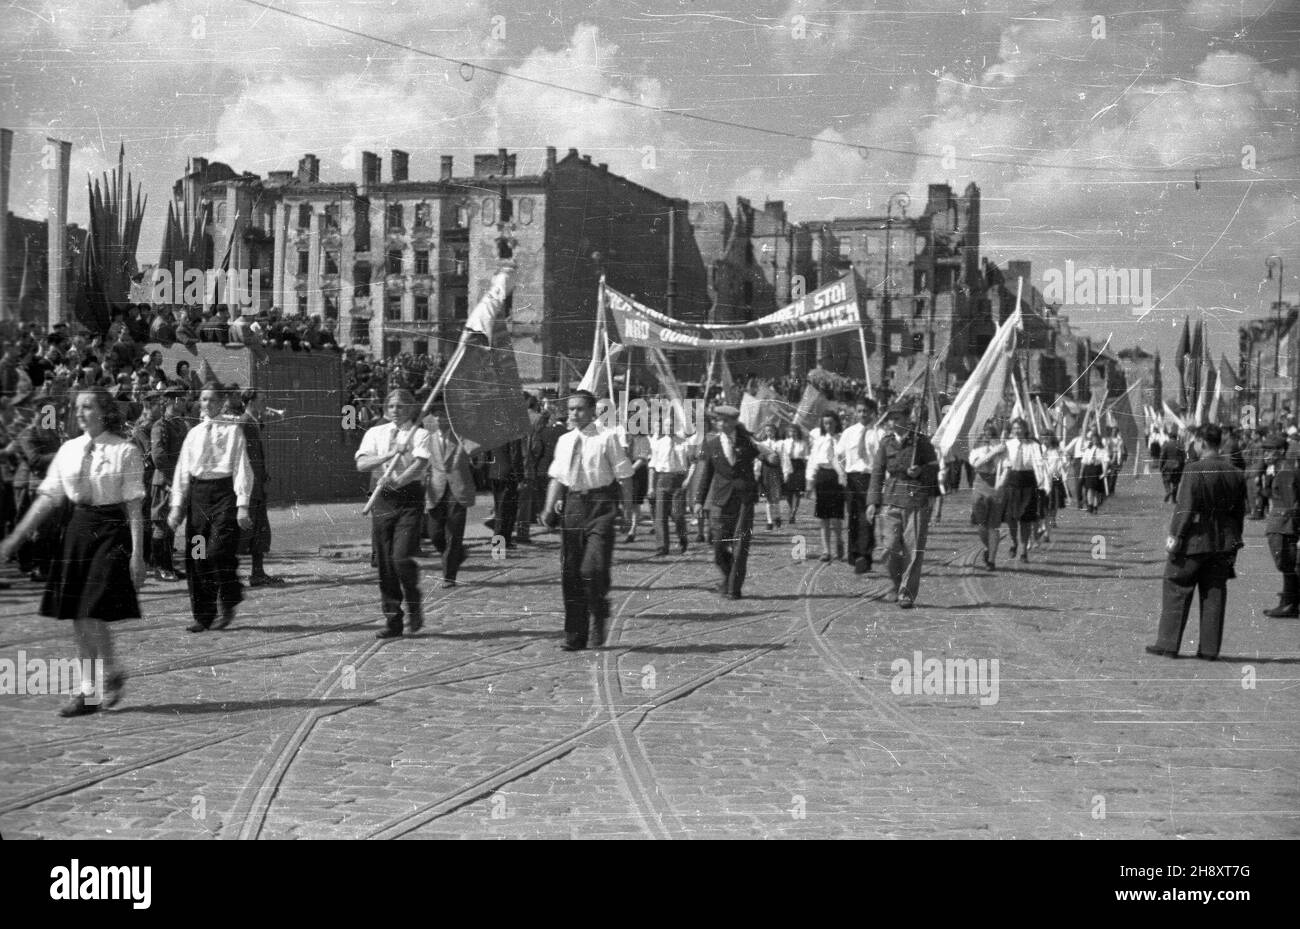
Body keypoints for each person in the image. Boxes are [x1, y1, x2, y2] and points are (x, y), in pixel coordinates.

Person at [0, 387, 146, 716]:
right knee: (79, 617)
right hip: (78, 530)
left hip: (111, 530)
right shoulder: (68, 449)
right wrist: (15, 539)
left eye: (87, 406)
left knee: (92, 609)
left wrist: (138, 555)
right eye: (77, 407)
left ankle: (105, 676)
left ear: (103, 411)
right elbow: (48, 497)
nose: (79, 412)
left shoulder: (125, 451)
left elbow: (134, 506)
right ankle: (92, 689)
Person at [542, 390, 634, 650]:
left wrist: (627, 512)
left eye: (580, 409)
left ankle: (598, 609)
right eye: (571, 409)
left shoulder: (608, 438)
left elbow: (624, 477)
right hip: (573, 507)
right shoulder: (565, 440)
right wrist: (548, 508)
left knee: (592, 569)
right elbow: (557, 477)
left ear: (593, 411)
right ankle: (575, 634)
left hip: (601, 506)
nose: (574, 413)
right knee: (571, 573)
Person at [1148, 425, 1247, 660]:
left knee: (1176, 585)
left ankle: (1168, 644)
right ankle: (1209, 649)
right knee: (1214, 592)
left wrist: (1175, 538)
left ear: (1202, 442)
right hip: (1223, 542)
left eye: (1194, 441)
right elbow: (1239, 515)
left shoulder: (1194, 470)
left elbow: (1185, 509)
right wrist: (1234, 544)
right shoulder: (1235, 472)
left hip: (1193, 540)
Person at [168, 381, 254, 633]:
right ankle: (203, 616)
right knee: (197, 557)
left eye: (212, 400)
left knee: (218, 551)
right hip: (199, 498)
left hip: (224, 495)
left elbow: (241, 467)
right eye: (203, 400)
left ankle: (229, 599)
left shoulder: (232, 431)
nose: (207, 404)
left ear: (222, 402)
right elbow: (182, 472)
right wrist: (176, 507)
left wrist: (243, 505)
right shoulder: (193, 434)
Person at [355, 390, 430, 638]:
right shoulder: (374, 433)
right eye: (392, 406)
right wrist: (388, 456)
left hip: (409, 498)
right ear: (386, 409)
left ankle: (413, 600)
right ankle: (393, 620)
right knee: (385, 563)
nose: (396, 410)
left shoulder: (420, 434)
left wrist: (398, 480)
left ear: (411, 408)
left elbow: (420, 464)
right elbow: (362, 464)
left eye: (401, 406)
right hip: (382, 498)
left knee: (400, 557)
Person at [693, 405, 775, 600]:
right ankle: (729, 578)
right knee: (718, 546)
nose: (721, 423)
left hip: (744, 499)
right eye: (718, 420)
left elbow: (766, 456)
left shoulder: (747, 441)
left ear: (734, 422)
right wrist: (698, 500)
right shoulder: (711, 443)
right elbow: (706, 474)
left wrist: (772, 458)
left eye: (725, 420)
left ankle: (733, 589)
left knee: (740, 545)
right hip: (720, 499)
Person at [867, 402, 940, 608]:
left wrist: (921, 471)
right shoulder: (886, 443)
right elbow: (877, 473)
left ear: (908, 419)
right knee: (887, 549)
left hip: (916, 499)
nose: (892, 423)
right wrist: (872, 502)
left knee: (913, 549)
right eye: (890, 419)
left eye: (897, 418)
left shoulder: (922, 442)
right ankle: (895, 582)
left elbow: (935, 468)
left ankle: (906, 593)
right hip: (891, 497)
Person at [229, 389, 285, 586]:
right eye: (262, 400)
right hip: (248, 487)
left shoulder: (253, 422)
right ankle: (230, 576)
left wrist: (263, 475)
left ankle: (258, 573)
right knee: (243, 532)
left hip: (258, 486)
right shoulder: (244, 423)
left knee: (261, 531)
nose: (265, 403)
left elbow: (255, 456)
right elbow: (241, 457)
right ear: (250, 402)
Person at [423, 397, 475, 589]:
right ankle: (457, 555)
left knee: (453, 534)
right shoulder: (426, 438)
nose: (438, 419)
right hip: (435, 490)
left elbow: (476, 451)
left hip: (457, 490)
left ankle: (449, 576)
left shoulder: (461, 436)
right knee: (434, 533)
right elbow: (423, 464)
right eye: (435, 415)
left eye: (442, 415)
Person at [839, 399, 883, 574]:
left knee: (868, 518)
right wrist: (842, 472)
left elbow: (882, 461)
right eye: (859, 411)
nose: (862, 414)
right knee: (854, 517)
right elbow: (837, 454)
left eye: (866, 411)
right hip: (852, 478)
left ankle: (864, 556)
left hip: (870, 478)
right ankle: (854, 554)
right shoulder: (849, 432)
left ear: (872, 412)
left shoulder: (879, 433)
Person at [148, 388, 188, 581]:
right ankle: (160, 568)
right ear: (174, 401)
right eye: (182, 399)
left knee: (171, 525)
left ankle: (169, 566)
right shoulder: (160, 425)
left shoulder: (181, 424)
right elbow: (158, 456)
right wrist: (175, 477)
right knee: (161, 525)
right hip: (164, 481)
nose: (185, 402)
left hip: (176, 481)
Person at [1260, 435, 1300, 617]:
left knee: (1287, 564)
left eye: (1270, 450)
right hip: (1281, 524)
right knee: (1287, 565)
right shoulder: (1278, 469)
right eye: (1265, 450)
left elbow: (1291, 504)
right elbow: (1269, 493)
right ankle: (1288, 602)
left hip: (1285, 526)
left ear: (1281, 451)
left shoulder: (1285, 471)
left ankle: (1289, 603)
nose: (1265, 454)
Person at [999, 417, 1047, 563]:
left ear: (1025, 429)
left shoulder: (1033, 445)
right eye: (1014, 428)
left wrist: (1042, 482)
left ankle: (1024, 551)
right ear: (1012, 430)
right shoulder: (1008, 445)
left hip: (1028, 482)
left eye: (1019, 428)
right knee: (1011, 519)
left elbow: (1038, 463)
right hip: (1012, 482)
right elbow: (1004, 464)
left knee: (1025, 520)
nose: (1017, 431)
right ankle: (1014, 542)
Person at [805, 411, 847, 562]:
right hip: (823, 477)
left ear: (836, 422)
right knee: (823, 517)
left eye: (830, 422)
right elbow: (812, 461)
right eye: (825, 423)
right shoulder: (819, 440)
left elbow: (845, 459)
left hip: (837, 477)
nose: (828, 426)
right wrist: (810, 481)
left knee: (836, 516)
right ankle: (826, 550)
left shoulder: (842, 439)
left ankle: (839, 540)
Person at [648, 421, 692, 556]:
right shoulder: (658, 443)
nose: (669, 428)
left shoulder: (684, 443)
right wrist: (650, 487)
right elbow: (652, 467)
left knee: (678, 514)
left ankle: (683, 538)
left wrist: (688, 480)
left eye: (671, 425)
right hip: (662, 479)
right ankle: (662, 547)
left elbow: (691, 463)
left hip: (678, 480)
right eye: (667, 426)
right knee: (660, 516)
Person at [967, 422, 1006, 571]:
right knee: (981, 525)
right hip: (980, 485)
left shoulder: (1003, 449)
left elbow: (1007, 467)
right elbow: (976, 464)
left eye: (991, 435)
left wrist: (1001, 485)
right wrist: (993, 452)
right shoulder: (977, 450)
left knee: (993, 526)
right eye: (985, 435)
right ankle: (988, 547)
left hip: (996, 486)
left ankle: (991, 560)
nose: (988, 438)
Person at [756, 422, 785, 531]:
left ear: (775, 431)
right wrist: (757, 472)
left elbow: (784, 458)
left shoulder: (780, 443)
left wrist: (785, 472)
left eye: (771, 431)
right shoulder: (762, 444)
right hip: (765, 470)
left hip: (776, 470)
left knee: (776, 497)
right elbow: (758, 460)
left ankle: (777, 516)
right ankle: (769, 521)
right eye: (767, 431)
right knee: (768, 497)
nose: (769, 433)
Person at [779, 422, 808, 526]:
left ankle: (793, 514)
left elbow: (805, 456)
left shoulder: (802, 443)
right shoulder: (784, 442)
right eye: (791, 431)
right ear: (788, 432)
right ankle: (791, 508)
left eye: (795, 431)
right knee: (788, 492)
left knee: (797, 491)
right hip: (787, 465)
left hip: (799, 466)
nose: (793, 433)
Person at [1080, 431, 1108, 514]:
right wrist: (1081, 472)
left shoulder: (1102, 449)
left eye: (1096, 439)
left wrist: (1104, 472)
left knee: (1096, 490)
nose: (1094, 441)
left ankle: (1095, 507)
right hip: (1089, 469)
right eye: (1093, 439)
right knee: (1089, 489)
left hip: (1097, 469)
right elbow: (1084, 460)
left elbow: (1105, 460)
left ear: (1099, 440)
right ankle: (1090, 506)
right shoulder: (1089, 448)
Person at [1159, 426, 1186, 503]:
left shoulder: (1166, 445)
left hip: (1168, 465)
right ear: (1176, 437)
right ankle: (1173, 500)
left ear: (1169, 437)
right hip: (1178, 466)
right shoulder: (1180, 445)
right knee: (1176, 482)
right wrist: (1182, 467)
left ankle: (1168, 491)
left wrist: (1161, 466)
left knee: (1166, 480)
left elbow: (1162, 456)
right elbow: (1183, 457)